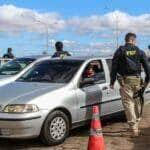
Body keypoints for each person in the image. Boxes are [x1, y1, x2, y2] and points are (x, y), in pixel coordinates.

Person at [110, 33, 150, 137]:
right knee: (137, 103)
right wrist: (146, 82)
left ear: (126, 40)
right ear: (133, 40)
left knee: (128, 104)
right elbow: (147, 69)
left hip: (125, 82)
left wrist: (111, 82)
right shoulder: (140, 52)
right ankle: (136, 123)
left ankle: (133, 128)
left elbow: (114, 68)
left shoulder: (119, 51)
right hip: (137, 81)